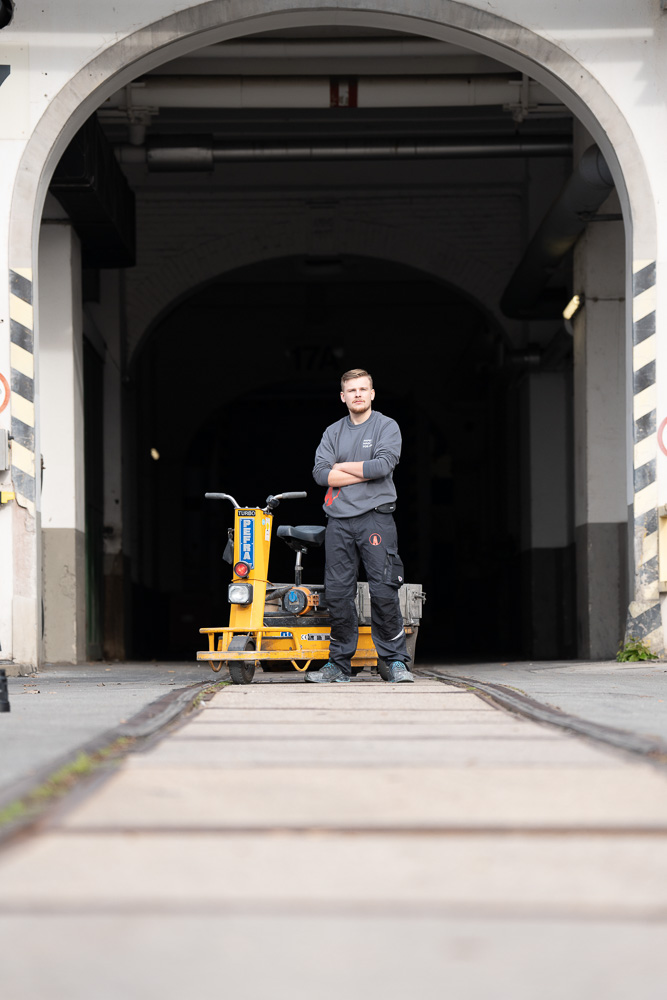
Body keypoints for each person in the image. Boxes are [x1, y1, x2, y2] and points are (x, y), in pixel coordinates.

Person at [308, 368, 414, 684]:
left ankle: (395, 663)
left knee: (383, 591)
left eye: (362, 389)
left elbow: (384, 465)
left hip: (375, 518)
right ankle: (339, 666)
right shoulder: (332, 433)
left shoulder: (386, 426)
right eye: (351, 390)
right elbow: (320, 475)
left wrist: (341, 467)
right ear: (343, 396)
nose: (357, 394)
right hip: (339, 521)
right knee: (338, 594)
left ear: (372, 394)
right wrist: (363, 471)